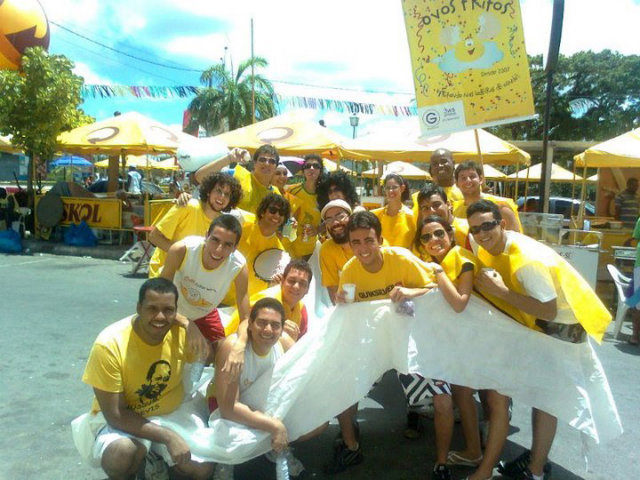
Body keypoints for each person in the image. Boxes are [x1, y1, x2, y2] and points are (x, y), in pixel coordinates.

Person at [467, 199, 611, 480]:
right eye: (475, 229)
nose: (481, 234)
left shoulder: (526, 263)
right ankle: (536, 458)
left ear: (502, 224)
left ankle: (535, 470)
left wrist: (501, 293)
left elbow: (548, 309)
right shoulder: (495, 244)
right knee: (539, 393)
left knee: (545, 398)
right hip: (544, 322)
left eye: (487, 226)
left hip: (561, 325)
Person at [326, 211, 435, 475]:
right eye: (356, 242)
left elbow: (434, 288)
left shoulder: (401, 258)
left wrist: (411, 291)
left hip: (408, 338)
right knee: (343, 383)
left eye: (369, 240)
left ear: (381, 240)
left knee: (433, 398)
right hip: (372, 342)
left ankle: (422, 421)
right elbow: (350, 313)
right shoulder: (350, 269)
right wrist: (342, 303)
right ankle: (351, 444)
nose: (363, 248)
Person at [77, 278, 215, 480]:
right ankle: (142, 460)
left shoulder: (181, 334)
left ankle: (160, 461)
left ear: (177, 312)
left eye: (168, 310)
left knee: (201, 469)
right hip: (126, 419)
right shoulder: (109, 344)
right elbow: (115, 415)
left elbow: (208, 357)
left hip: (170, 413)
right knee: (121, 456)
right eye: (152, 308)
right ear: (138, 308)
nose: (160, 317)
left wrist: (191, 326)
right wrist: (168, 437)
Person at [208, 298, 305, 479]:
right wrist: (274, 425)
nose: (268, 330)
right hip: (226, 408)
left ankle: (275, 447)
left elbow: (304, 373)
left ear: (282, 328)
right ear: (250, 325)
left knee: (312, 420)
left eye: (275, 325)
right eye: (261, 323)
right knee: (232, 435)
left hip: (261, 403)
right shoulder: (233, 348)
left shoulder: (283, 342)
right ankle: (227, 462)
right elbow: (228, 409)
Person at [413, 215, 478, 480]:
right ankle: (458, 455)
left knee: (462, 396)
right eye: (426, 237)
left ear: (450, 235)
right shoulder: (429, 264)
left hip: (466, 341)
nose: (433, 240)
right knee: (453, 398)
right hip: (443, 342)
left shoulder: (462, 260)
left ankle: (473, 450)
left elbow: (459, 303)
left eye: (438, 233)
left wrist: (439, 274)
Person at [160, 215, 250, 350]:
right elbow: (159, 300)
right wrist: (186, 323)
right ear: (206, 235)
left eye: (227, 245)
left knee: (223, 351)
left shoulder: (239, 267)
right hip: (170, 310)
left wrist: (240, 345)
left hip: (204, 313)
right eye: (215, 240)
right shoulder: (182, 250)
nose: (218, 249)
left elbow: (246, 318)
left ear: (235, 248)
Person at [148, 172, 243, 278]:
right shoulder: (188, 206)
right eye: (218, 191)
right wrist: (182, 256)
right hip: (163, 273)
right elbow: (154, 237)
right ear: (208, 192)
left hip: (189, 279)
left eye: (227, 194)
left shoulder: (222, 223)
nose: (221, 197)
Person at [227, 259, 312, 343]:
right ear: (282, 281)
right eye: (291, 281)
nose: (296, 286)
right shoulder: (265, 303)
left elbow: (301, 343)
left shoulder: (301, 310)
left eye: (302, 283)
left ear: (307, 289)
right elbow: (243, 332)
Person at [194, 144, 281, 214]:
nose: (266, 164)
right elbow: (200, 177)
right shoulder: (237, 175)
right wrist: (229, 158)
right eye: (262, 159)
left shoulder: (276, 195)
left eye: (272, 161)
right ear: (254, 163)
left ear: (276, 167)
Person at [237, 193, 292, 297]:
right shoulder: (241, 227)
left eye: (281, 213)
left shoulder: (280, 252)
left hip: (250, 300)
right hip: (223, 294)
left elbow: (272, 286)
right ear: (262, 212)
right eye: (272, 210)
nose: (277, 215)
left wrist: (275, 283)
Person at [452, 160, 521, 232]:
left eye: (472, 176)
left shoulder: (500, 206)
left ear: (481, 179)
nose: (468, 180)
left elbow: (515, 239)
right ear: (456, 183)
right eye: (463, 178)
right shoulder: (455, 210)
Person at [286, 154, 325, 259]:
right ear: (303, 171)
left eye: (316, 166)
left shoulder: (324, 195)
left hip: (309, 250)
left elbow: (330, 220)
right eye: (308, 166)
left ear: (320, 171)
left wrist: (318, 229)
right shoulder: (291, 190)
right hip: (288, 246)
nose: (311, 168)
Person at [415, 184, 470, 257]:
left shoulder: (468, 229)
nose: (432, 211)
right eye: (425, 208)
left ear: (448, 204)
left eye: (436, 205)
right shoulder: (422, 236)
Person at [318, 199, 354, 304]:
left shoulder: (367, 241)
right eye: (329, 220)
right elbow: (333, 292)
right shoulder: (326, 249)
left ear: (351, 218)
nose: (335, 223)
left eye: (340, 216)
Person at [412, 148, 464, 219]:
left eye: (444, 161)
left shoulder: (467, 192)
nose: (440, 165)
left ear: (453, 163)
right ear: (431, 169)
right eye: (435, 164)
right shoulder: (418, 197)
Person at [372, 173, 416, 249]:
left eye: (394, 187)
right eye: (388, 188)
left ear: (402, 188)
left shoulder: (412, 216)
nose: (391, 191)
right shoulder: (375, 216)